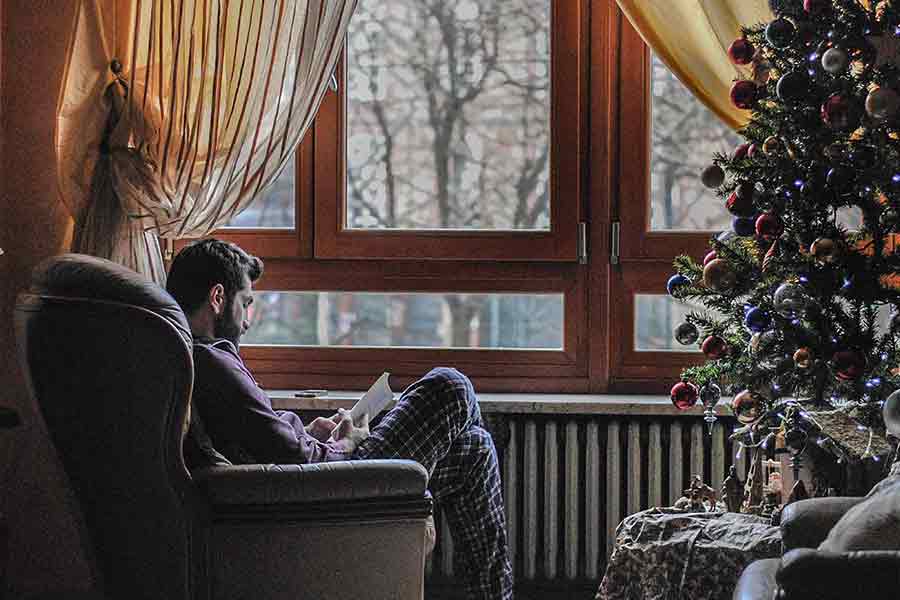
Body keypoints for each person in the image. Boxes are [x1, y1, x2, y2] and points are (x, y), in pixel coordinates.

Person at [166, 238, 513, 600]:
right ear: (218, 298)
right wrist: (345, 444)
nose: (247, 321)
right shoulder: (211, 361)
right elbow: (293, 457)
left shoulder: (192, 359)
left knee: (473, 448)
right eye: (245, 304)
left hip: (308, 482)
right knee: (450, 386)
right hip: (326, 492)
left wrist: (309, 431)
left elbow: (258, 434)